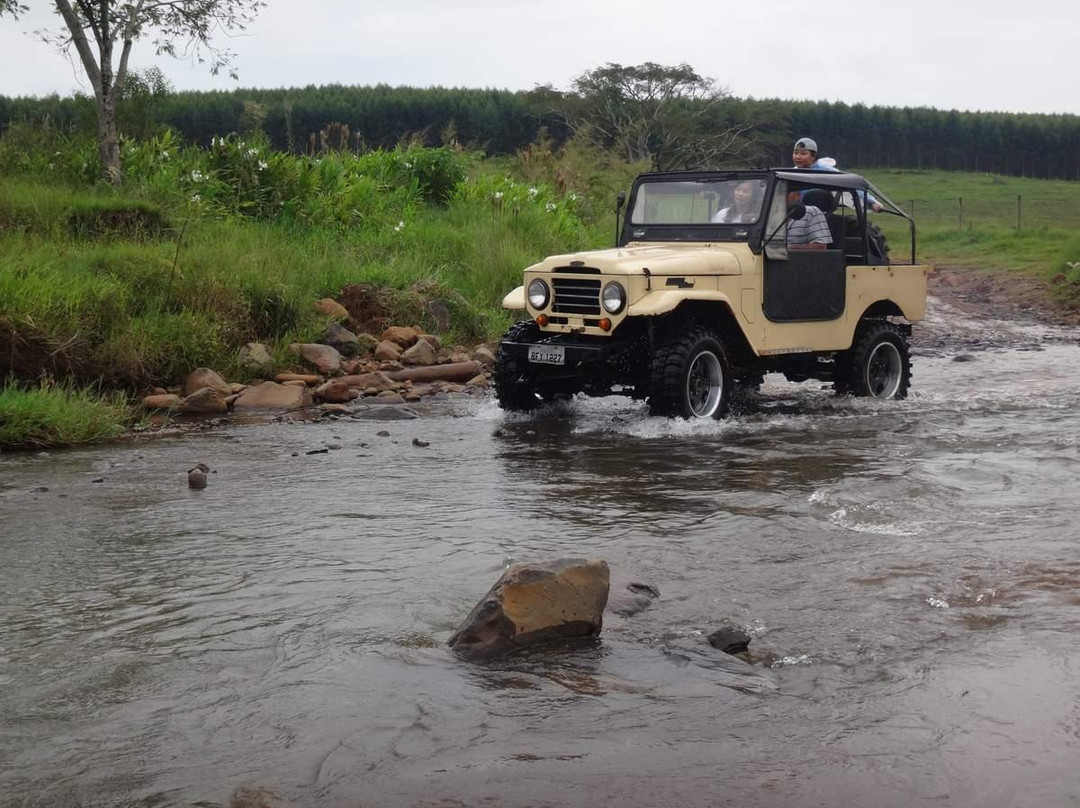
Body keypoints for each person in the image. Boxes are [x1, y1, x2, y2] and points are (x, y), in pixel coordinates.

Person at [792, 137, 884, 212]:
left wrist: (872, 202)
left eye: (803, 153)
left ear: (814, 156)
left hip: (820, 215)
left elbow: (852, 185)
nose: (798, 157)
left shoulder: (826, 171)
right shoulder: (791, 173)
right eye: (796, 153)